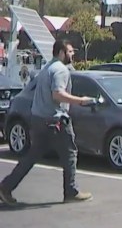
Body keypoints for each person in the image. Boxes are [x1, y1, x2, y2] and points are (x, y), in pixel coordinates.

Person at [0, 40, 95, 206]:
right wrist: (81, 101)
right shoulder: (60, 70)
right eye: (70, 52)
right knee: (70, 154)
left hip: (38, 119)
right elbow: (57, 94)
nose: (73, 55)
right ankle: (71, 191)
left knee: (32, 156)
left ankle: (6, 187)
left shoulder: (46, 69)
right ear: (61, 53)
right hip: (55, 120)